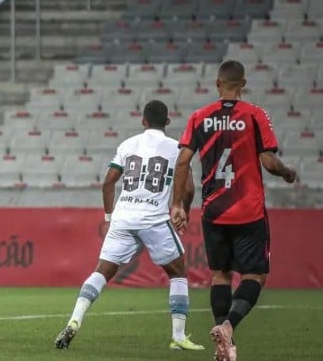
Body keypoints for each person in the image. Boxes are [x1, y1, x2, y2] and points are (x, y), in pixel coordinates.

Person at [170, 60, 297, 361]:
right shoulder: (255, 115)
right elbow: (268, 162)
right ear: (244, 84)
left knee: (220, 275)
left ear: (217, 84)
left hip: (214, 211)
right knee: (255, 275)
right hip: (248, 211)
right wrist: (288, 171)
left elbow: (183, 162)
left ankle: (224, 342)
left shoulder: (199, 117)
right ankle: (227, 327)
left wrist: (178, 204)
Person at [54, 100, 205, 351]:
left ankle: (75, 319)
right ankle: (178, 337)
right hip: (153, 218)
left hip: (123, 217)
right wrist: (184, 209)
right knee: (177, 274)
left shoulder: (127, 145)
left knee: (101, 272)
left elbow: (108, 182)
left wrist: (109, 216)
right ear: (167, 122)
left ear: (143, 121)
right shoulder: (176, 147)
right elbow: (188, 187)